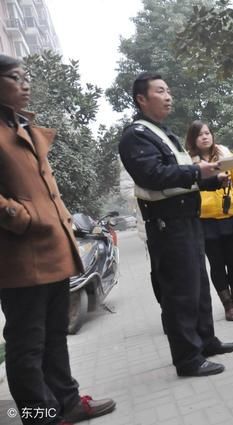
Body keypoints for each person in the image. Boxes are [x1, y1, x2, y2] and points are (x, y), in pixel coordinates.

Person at [0, 54, 116, 424]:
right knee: (26, 349)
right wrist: (24, 217)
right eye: (15, 77)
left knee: (54, 338)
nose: (25, 83)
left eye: (26, 76)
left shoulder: (22, 127)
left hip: (51, 251)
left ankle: (66, 404)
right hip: (20, 260)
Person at [119, 72, 233, 378]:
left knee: (198, 285)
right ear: (142, 99)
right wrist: (199, 173)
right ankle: (187, 359)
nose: (168, 96)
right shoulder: (136, 136)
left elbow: (185, 177)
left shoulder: (164, 133)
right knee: (180, 292)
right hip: (166, 223)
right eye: (160, 91)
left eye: (168, 90)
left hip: (187, 219)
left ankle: (206, 341)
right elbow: (153, 176)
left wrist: (210, 178)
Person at [185, 120, 233, 321]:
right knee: (217, 264)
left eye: (207, 133)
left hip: (230, 216)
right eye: (199, 134)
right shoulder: (187, 162)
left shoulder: (225, 155)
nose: (205, 137)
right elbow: (187, 189)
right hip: (205, 220)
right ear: (193, 139)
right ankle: (227, 305)